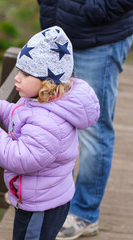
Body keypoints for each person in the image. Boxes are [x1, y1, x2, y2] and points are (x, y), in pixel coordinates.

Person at [0, 26, 100, 240]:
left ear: (46, 83)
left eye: (25, 74)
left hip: (40, 207)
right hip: (42, 197)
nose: (17, 78)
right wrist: (3, 111)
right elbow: (26, 121)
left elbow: (20, 157)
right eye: (19, 70)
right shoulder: (44, 101)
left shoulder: (48, 121)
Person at [37, 1, 133, 239]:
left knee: (94, 130)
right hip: (58, 37)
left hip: (99, 36)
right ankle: (57, 203)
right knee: (56, 121)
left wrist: (93, 11)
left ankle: (85, 213)